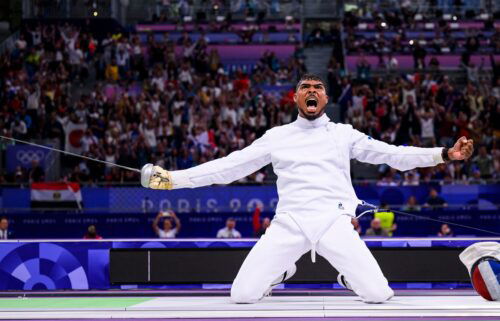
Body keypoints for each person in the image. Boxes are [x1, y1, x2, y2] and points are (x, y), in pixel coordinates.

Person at [141, 73, 474, 304]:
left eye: (317, 86)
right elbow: (229, 166)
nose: (311, 90)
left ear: (325, 97)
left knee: (378, 294)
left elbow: (393, 154)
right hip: (289, 222)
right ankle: (284, 270)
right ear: (296, 96)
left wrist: (444, 154)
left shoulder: (344, 133)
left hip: (334, 222)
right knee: (242, 295)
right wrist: (174, 178)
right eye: (304, 86)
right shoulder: (277, 137)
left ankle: (348, 278)